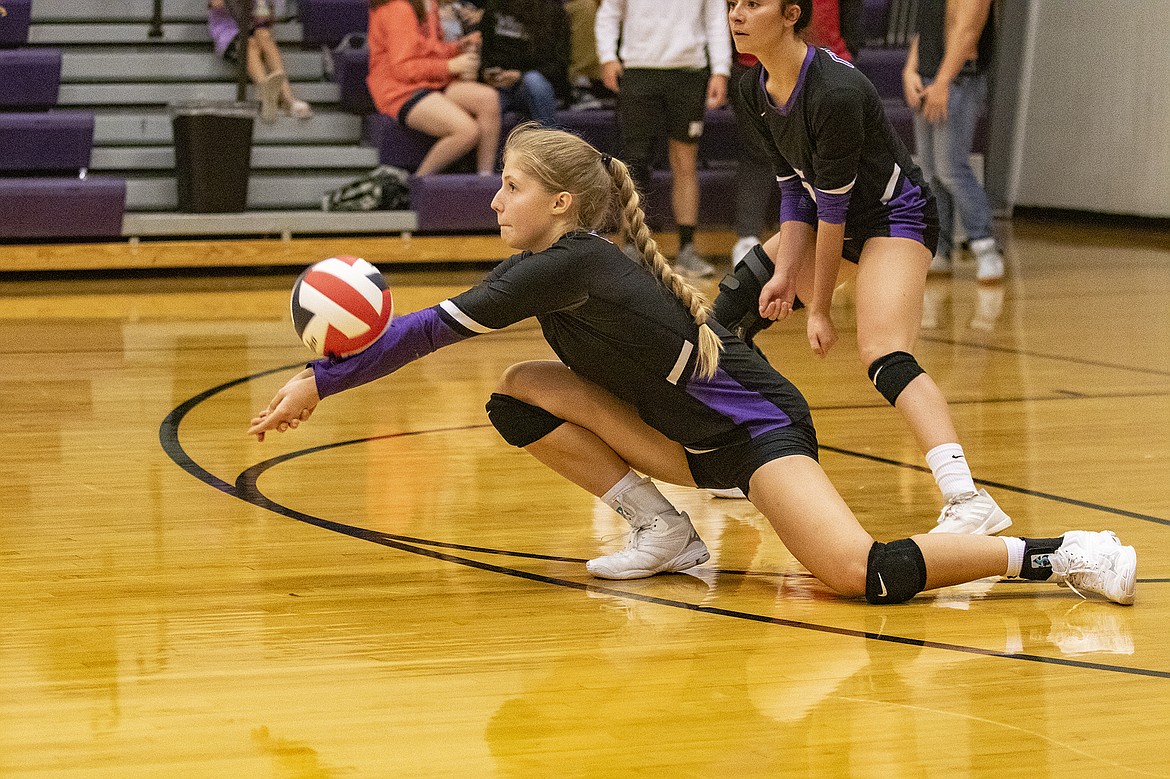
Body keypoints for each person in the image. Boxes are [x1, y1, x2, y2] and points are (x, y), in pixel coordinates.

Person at [247, 123, 1136, 607]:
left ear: (560, 203)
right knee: (519, 392)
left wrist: (317, 381)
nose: (495, 197)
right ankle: (664, 531)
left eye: (510, 185)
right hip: (683, 441)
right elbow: (439, 337)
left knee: (859, 574)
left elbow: (421, 334)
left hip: (757, 438)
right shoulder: (556, 267)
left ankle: (1061, 553)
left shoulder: (568, 263)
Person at [713, 0, 1008, 533]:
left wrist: (819, 307)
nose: (736, 14)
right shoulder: (752, 87)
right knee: (727, 317)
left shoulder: (835, 92)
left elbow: (833, 209)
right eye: (732, 3)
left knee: (884, 354)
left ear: (790, 14)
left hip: (895, 217)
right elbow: (795, 193)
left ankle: (969, 500)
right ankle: (743, 459)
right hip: (837, 218)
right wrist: (783, 274)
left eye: (752, 4)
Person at [595, 0, 732, 279]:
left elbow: (717, 19)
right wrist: (607, 56)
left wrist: (721, 69)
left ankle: (687, 250)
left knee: (685, 162)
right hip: (638, 71)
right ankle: (632, 248)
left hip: (689, 73)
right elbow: (609, 13)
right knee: (634, 162)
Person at [902, 0, 1004, 282]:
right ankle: (941, 250)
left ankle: (986, 248)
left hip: (959, 79)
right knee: (930, 171)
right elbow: (925, 31)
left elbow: (968, 33)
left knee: (952, 169)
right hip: (929, 76)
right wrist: (910, 69)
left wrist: (944, 82)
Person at [367, 0, 500, 176]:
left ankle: (485, 179)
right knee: (466, 131)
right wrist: (450, 67)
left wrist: (457, 48)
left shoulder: (429, 5)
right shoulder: (398, 8)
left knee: (487, 98)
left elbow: (428, 49)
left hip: (428, 80)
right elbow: (403, 68)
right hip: (399, 89)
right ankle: (419, 184)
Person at [207, 0, 312, 122]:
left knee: (264, 35)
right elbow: (216, 4)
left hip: (255, 30)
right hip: (229, 32)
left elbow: (269, 17)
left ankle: (288, 99)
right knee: (249, 44)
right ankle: (267, 93)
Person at [477, 0, 571, 127]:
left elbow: (560, 65)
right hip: (498, 85)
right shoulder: (494, 7)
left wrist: (519, 75)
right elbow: (485, 53)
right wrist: (486, 73)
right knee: (481, 99)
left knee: (533, 81)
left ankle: (549, 143)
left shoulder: (553, 11)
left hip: (535, 86)